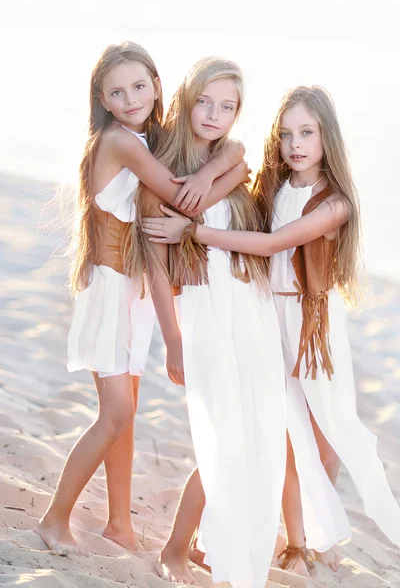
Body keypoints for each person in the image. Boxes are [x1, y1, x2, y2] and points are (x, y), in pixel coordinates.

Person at [143, 84, 400, 577]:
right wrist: (210, 177)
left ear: (328, 138)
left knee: (327, 436)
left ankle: (315, 529)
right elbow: (237, 170)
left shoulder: (336, 202)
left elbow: (272, 244)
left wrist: (191, 231)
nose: (296, 144)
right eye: (286, 134)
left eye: (307, 132)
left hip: (311, 327)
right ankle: (295, 544)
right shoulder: (274, 188)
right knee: (277, 429)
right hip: (263, 316)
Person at [35, 42, 247, 556]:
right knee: (114, 416)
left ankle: (119, 525)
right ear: (103, 100)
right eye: (117, 91)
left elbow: (235, 150)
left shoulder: (147, 136)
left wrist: (232, 162)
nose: (130, 98)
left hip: (133, 293)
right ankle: (54, 518)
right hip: (109, 291)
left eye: (139, 85)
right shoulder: (120, 142)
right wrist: (220, 177)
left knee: (126, 417)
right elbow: (182, 197)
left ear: (156, 84)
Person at [138, 57, 287, 588]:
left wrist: (208, 175)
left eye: (228, 106)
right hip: (204, 309)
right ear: (186, 96)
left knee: (253, 435)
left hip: (251, 306)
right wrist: (173, 339)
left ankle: (210, 542)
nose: (214, 113)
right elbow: (156, 264)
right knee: (221, 435)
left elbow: (240, 160)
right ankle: (174, 548)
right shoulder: (160, 165)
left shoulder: (226, 162)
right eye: (205, 100)